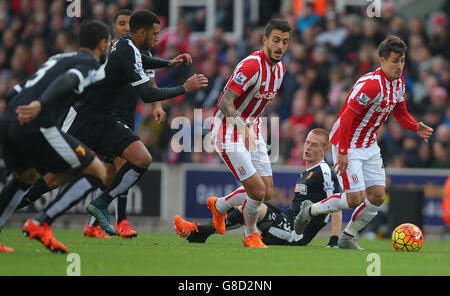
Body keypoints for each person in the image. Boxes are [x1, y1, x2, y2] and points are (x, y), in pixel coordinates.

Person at [16, 10, 206, 238]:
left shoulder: (127, 44)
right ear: (142, 32)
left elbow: (141, 60)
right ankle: (10, 210)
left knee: (142, 159)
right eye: (155, 34)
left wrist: (169, 63)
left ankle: (101, 204)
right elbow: (146, 94)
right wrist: (184, 88)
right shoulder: (125, 48)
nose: (158, 39)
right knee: (54, 177)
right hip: (82, 119)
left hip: (106, 121)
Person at [294, 35, 433, 250]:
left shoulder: (398, 83)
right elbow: (348, 118)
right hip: (347, 143)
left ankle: (348, 236)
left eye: (402, 60)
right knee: (354, 198)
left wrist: (415, 126)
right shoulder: (371, 86)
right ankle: (310, 211)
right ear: (382, 61)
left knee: (377, 196)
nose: (399, 66)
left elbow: (400, 112)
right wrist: (341, 151)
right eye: (395, 61)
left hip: (369, 145)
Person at [0, 20, 111, 253]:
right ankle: (42, 222)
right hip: (37, 124)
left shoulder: (57, 58)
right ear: (102, 43)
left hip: (10, 119)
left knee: (26, 178)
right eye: (109, 43)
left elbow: (14, 91)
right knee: (98, 170)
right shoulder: (91, 64)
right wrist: (40, 105)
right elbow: (69, 80)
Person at [174, 128, 342, 247]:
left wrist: (333, 240)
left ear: (324, 150)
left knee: (252, 204)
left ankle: (200, 231)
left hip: (295, 233)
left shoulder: (325, 171)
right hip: (287, 218)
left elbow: (335, 206)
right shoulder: (308, 171)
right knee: (250, 204)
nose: (308, 147)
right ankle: (201, 232)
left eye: (314, 145)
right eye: (307, 142)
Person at [207, 18, 291, 248]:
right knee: (256, 190)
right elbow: (225, 102)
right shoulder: (251, 65)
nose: (280, 46)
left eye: (285, 41)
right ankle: (250, 234)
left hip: (251, 127)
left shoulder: (281, 69)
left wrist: (253, 128)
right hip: (227, 128)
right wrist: (242, 127)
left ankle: (219, 206)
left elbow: (259, 101)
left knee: (268, 191)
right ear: (265, 40)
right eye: (275, 40)